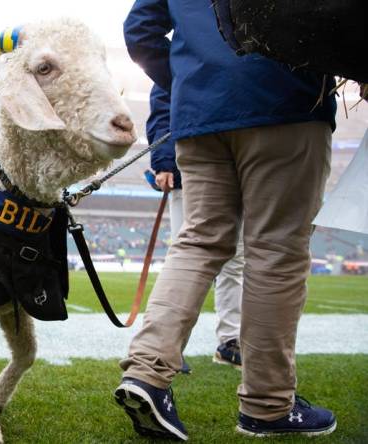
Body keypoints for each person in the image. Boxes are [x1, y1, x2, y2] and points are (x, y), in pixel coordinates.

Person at [116, 0, 337, 440]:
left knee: (197, 242)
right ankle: (267, 405)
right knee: (275, 250)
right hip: (284, 101)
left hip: (200, 113)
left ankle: (146, 372)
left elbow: (139, 29)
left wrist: (193, 80)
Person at [146, 85, 243, 372]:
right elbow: (164, 104)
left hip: (237, 161)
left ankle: (230, 341)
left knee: (235, 259)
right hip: (193, 164)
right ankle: (167, 345)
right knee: (188, 255)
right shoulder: (187, 47)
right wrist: (164, 161)